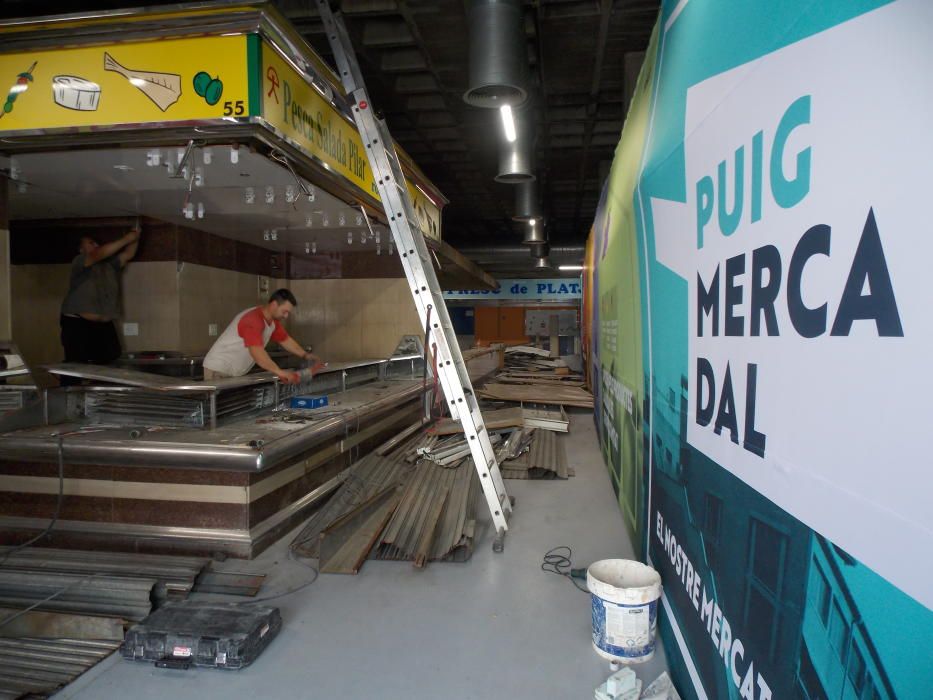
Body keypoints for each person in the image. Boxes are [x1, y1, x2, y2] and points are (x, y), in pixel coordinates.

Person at [202, 288, 323, 383]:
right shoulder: (253, 320)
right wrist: (279, 372)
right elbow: (257, 352)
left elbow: (285, 340)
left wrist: (305, 355)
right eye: (284, 311)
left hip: (232, 371)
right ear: (274, 305)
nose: (286, 316)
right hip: (218, 369)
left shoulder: (272, 322)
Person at [60, 228, 140, 367]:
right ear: (80, 249)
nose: (95, 245)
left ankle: (102, 387)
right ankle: (72, 387)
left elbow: (128, 254)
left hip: (104, 323)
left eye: (96, 243)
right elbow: (99, 253)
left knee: (111, 357)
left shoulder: (110, 264)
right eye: (91, 243)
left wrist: (136, 236)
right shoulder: (80, 261)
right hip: (78, 322)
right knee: (77, 363)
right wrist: (127, 239)